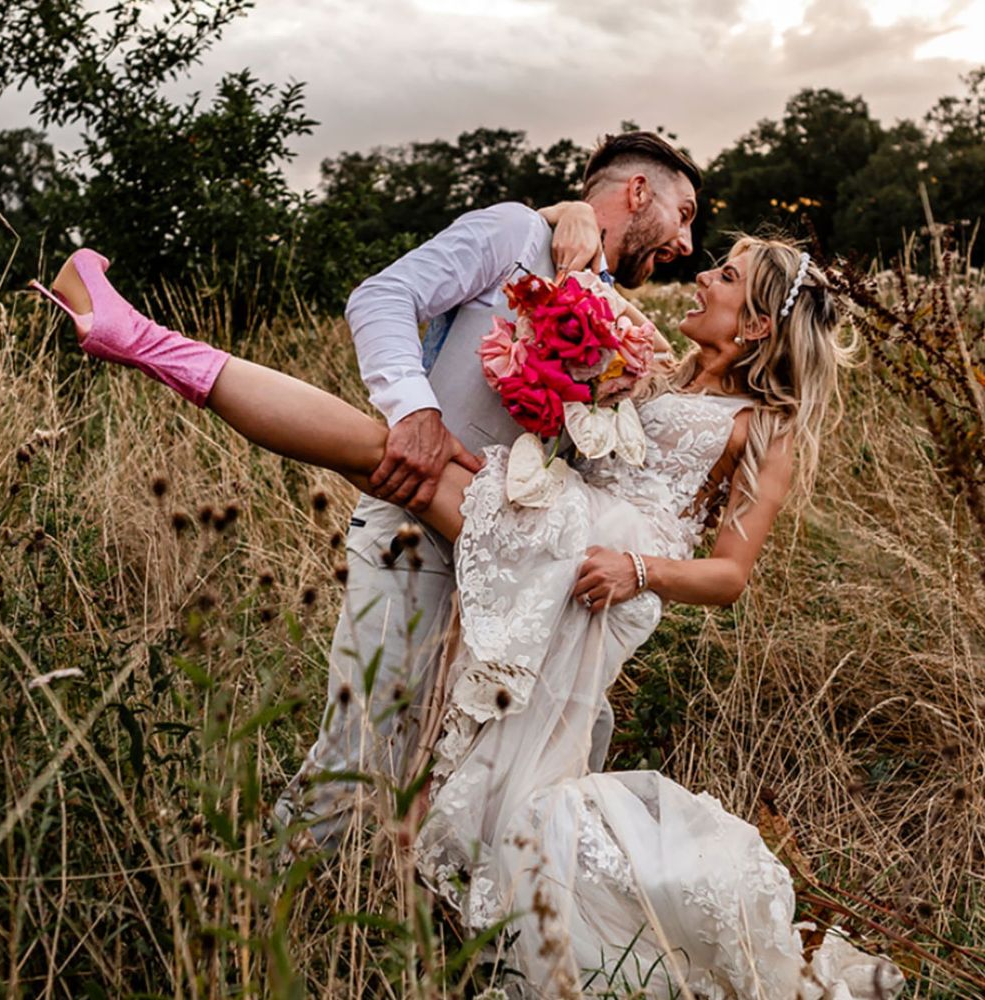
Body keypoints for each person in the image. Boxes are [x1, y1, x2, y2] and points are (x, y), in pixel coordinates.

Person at [32, 232, 903, 998]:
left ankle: (139, 339)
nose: (704, 277)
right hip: (562, 522)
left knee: (385, 458)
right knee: (394, 460)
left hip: (595, 567)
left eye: (725, 275)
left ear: (754, 325)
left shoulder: (765, 427)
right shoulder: (659, 371)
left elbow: (731, 575)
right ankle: (137, 339)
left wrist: (637, 568)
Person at [271, 130, 701, 846]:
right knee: (368, 741)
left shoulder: (619, 316)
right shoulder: (514, 231)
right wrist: (415, 410)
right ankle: (271, 908)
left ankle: (456, 919)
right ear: (636, 192)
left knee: (504, 759)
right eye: (683, 213)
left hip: (520, 571)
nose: (686, 243)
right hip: (415, 526)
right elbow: (383, 295)